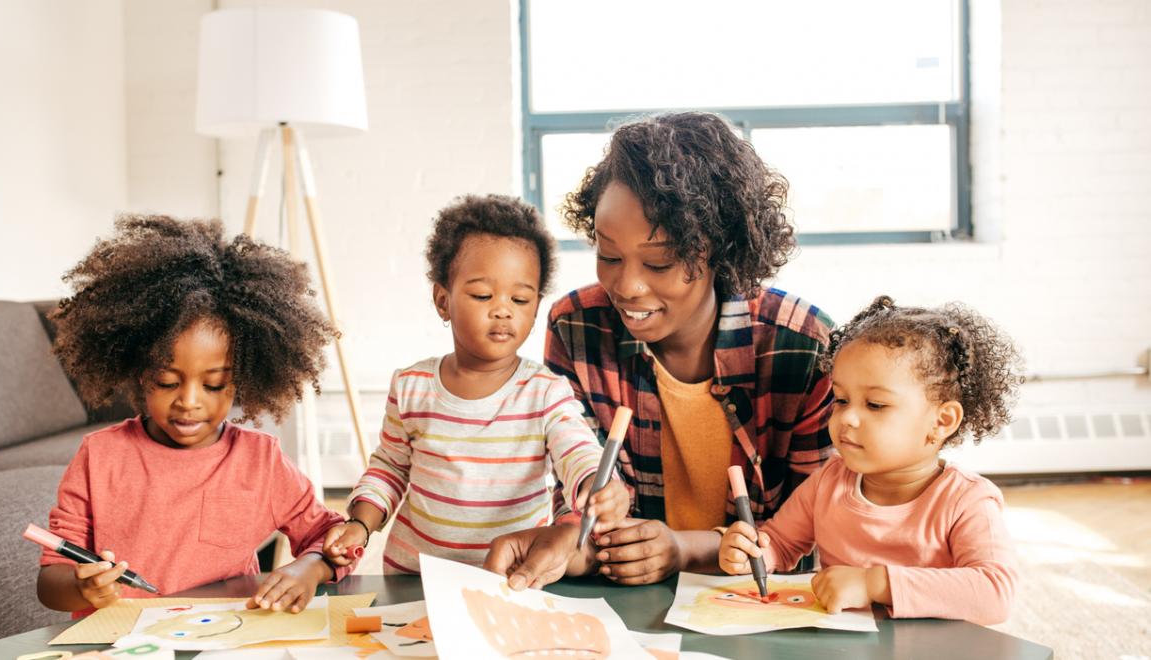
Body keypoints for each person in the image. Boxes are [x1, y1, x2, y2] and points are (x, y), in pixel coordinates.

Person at [485, 112, 834, 588]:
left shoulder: (802, 345)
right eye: (609, 256)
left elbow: (817, 529)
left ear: (719, 249)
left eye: (660, 262)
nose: (626, 286)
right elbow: (584, 498)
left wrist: (682, 549)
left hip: (759, 605)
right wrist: (566, 541)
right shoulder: (577, 327)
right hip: (627, 608)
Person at [37, 215, 355, 615]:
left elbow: (333, 537)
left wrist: (310, 567)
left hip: (224, 639)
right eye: (168, 382)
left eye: (213, 384)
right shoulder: (99, 456)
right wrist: (83, 589)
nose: (189, 401)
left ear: (242, 379)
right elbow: (52, 578)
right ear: (138, 373)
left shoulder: (260, 461)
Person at [323, 195, 628, 577]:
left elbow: (577, 449)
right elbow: (389, 468)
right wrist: (361, 525)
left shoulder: (545, 391)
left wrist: (596, 482)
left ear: (535, 309)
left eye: (520, 298)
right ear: (442, 300)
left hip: (508, 578)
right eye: (483, 295)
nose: (503, 309)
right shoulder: (411, 386)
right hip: (415, 578)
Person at [719, 296, 1023, 625]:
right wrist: (752, 551)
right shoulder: (829, 481)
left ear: (942, 421)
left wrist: (873, 583)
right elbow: (779, 542)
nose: (847, 418)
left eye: (875, 404)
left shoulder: (967, 501)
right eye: (841, 399)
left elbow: (996, 593)